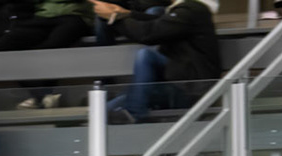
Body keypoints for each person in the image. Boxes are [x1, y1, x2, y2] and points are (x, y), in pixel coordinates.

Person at [94, 0, 222, 125]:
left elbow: (148, 33)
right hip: (180, 84)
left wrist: (114, 17)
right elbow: (158, 22)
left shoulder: (191, 10)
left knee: (146, 55)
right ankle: (132, 111)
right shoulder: (191, 10)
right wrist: (126, 14)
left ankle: (134, 113)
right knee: (103, 111)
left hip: (191, 90)